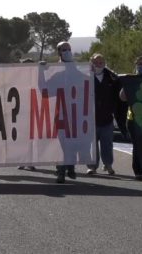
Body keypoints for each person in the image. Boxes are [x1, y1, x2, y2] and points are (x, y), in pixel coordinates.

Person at [86, 53, 126, 176]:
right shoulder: (85, 77)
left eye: (101, 62)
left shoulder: (112, 78)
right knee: (92, 145)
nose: (99, 64)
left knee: (107, 144)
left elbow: (120, 93)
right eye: (96, 62)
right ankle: (92, 167)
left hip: (107, 118)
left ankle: (108, 165)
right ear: (91, 63)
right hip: (90, 118)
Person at [54, 41, 78, 183]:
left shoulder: (77, 68)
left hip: (76, 112)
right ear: (59, 52)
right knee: (61, 144)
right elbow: (44, 90)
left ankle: (70, 166)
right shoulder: (54, 69)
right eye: (64, 49)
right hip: (60, 113)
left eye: (69, 49)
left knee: (73, 143)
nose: (67, 51)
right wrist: (40, 71)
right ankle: (60, 172)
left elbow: (84, 81)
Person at [18, 57, 37, 171]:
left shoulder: (35, 78)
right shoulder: (17, 78)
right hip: (21, 111)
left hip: (33, 110)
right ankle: (22, 160)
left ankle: (30, 161)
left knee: (31, 139)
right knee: (21, 138)